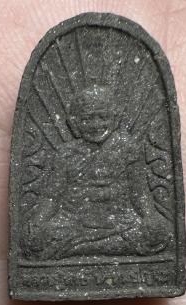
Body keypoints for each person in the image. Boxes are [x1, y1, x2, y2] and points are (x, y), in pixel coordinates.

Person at [24, 84, 170, 259]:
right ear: (74, 123)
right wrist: (39, 222)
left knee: (157, 233)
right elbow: (52, 197)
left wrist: (150, 216)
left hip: (119, 222)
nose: (96, 125)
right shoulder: (66, 153)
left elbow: (139, 193)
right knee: (34, 239)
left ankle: (76, 249)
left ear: (115, 119)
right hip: (74, 223)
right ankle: (96, 247)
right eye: (87, 119)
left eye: (103, 117)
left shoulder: (128, 149)